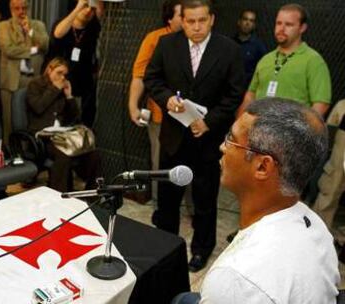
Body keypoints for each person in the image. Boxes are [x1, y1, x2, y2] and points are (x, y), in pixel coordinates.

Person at [173, 98, 340, 303]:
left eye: (231, 139)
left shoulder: (236, 278)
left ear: (262, 167)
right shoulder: (316, 226)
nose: (222, 147)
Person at [144, 0, 245, 272]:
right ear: (182, 20)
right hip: (173, 138)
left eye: (202, 20)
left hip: (208, 142)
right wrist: (166, 101)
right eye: (190, 21)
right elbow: (152, 80)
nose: (196, 27)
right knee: (167, 200)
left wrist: (209, 122)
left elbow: (234, 95)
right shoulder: (167, 45)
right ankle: (164, 246)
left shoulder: (230, 50)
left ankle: (201, 249)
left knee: (204, 200)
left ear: (211, 18)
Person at [128, 0, 183, 223]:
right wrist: (133, 105)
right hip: (161, 117)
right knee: (160, 162)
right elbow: (140, 75)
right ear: (170, 18)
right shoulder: (154, 39)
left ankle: (188, 209)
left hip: (190, 118)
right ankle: (163, 210)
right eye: (183, 15)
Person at [237, 3, 331, 117]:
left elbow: (321, 104)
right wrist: (237, 126)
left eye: (289, 24)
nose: (281, 29)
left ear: (302, 28)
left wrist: (300, 132)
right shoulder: (266, 59)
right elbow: (250, 96)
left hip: (291, 133)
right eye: (278, 23)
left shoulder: (313, 61)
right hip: (257, 130)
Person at [26, 57, 100, 192]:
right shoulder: (35, 85)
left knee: (92, 153)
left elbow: (75, 118)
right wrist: (54, 88)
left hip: (62, 133)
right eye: (59, 73)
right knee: (64, 155)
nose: (62, 77)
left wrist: (69, 96)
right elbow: (38, 107)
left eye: (64, 74)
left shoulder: (62, 88)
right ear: (49, 70)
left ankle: (92, 192)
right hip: (43, 134)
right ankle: (60, 193)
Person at [46, 0, 104, 127]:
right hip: (61, 79)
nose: (88, 10)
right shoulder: (64, 23)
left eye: (91, 8)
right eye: (85, 6)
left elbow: (100, 12)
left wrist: (96, 5)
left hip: (83, 81)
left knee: (84, 118)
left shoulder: (93, 27)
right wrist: (78, 8)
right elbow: (58, 34)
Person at [0, 0, 49, 143]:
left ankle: (28, 151)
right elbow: (8, 49)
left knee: (29, 118)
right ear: (11, 9)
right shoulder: (4, 26)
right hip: (11, 79)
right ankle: (9, 152)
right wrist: (33, 50)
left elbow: (45, 46)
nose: (21, 11)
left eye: (24, 8)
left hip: (32, 78)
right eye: (17, 8)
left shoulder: (38, 25)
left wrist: (30, 32)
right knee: (9, 121)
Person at [313, 100, 345, 234]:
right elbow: (329, 133)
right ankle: (316, 231)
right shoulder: (342, 105)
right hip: (339, 154)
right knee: (331, 188)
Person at [233, 9, 267, 89]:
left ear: (254, 25)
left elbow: (263, 72)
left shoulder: (259, 47)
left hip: (248, 90)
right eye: (245, 19)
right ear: (239, 22)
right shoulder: (230, 43)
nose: (247, 23)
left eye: (251, 21)